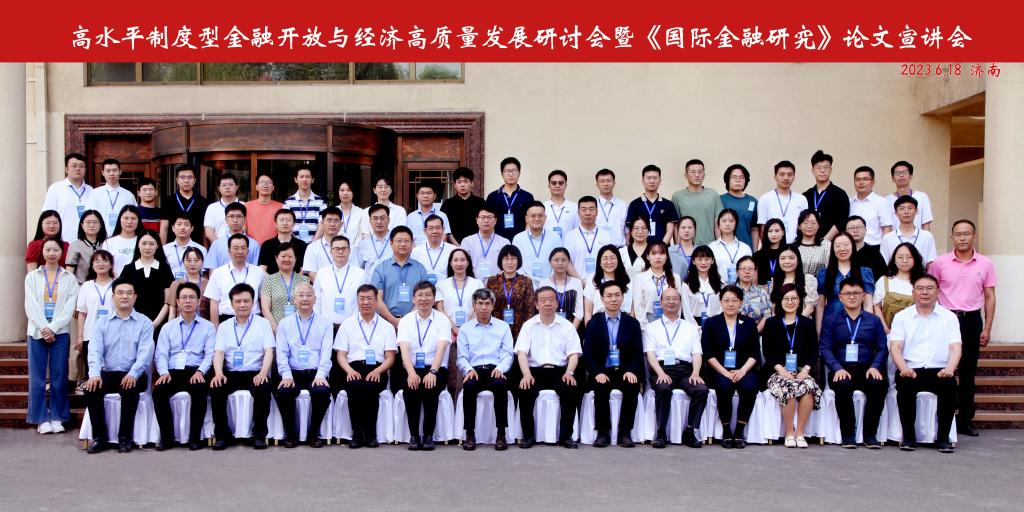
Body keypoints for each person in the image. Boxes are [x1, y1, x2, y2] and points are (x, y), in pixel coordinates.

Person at [930, 219, 997, 437]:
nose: (962, 238)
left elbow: (990, 296)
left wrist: (987, 328)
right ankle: (940, 417)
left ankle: (965, 419)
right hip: (945, 319)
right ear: (952, 237)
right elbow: (930, 291)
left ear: (974, 237)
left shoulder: (985, 263)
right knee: (941, 368)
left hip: (971, 321)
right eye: (958, 234)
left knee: (968, 371)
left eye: (966, 234)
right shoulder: (940, 263)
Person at [888, 274, 961, 453]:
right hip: (911, 369)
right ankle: (908, 438)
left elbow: (956, 347)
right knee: (905, 387)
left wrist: (950, 369)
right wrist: (903, 368)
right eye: (920, 289)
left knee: (949, 387)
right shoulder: (902, 317)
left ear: (938, 292)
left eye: (929, 288)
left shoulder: (949, 317)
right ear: (913, 292)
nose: (925, 292)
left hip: (940, 370)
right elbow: (895, 347)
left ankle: (943, 439)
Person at [84, 278, 152, 454]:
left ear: (135, 297)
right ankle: (100, 438)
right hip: (108, 373)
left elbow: (144, 354)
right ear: (113, 297)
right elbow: (94, 350)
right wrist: (94, 374)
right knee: (91, 389)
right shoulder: (101, 323)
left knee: (129, 388)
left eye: (129, 293)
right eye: (120, 293)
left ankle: (124, 438)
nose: (125, 296)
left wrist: (133, 374)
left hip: (134, 373)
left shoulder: (144, 322)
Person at [819, 278, 888, 448]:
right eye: (847, 293)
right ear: (840, 297)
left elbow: (882, 348)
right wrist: (836, 368)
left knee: (878, 385)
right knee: (842, 385)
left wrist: (875, 366)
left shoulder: (874, 321)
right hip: (841, 368)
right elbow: (825, 348)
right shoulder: (831, 320)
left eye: (856, 293)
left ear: (863, 296)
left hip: (867, 368)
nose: (852, 297)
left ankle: (870, 435)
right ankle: (848, 434)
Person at [514, 286, 583, 449]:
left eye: (551, 300)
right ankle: (528, 436)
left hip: (560, 371)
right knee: (525, 390)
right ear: (536, 304)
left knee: (570, 390)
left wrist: (569, 372)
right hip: (535, 371)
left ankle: (566, 436)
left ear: (557, 303)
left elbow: (574, 354)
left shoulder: (567, 326)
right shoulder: (529, 325)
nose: (547, 303)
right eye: (543, 300)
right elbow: (521, 353)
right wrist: (526, 374)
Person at [209, 283, 275, 450]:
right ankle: (222, 435)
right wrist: (218, 373)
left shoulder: (263, 324)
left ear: (253, 302)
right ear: (231, 304)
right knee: (216, 387)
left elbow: (269, 351)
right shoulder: (224, 326)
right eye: (237, 301)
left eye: (246, 301)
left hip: (255, 372)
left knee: (263, 388)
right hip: (231, 373)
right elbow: (219, 353)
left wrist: (263, 373)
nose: (242, 305)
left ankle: (259, 435)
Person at [152, 282, 216, 451]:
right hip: (172, 372)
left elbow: (210, 354)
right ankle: (167, 438)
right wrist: (163, 372)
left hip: (196, 370)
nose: (188, 301)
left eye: (192, 297)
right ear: (178, 301)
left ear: (198, 301)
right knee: (159, 392)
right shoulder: (168, 328)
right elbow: (161, 354)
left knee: (200, 389)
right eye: (184, 297)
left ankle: (194, 438)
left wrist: (201, 371)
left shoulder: (208, 327)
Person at [25, 237, 80, 435]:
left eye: (55, 250)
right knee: (37, 377)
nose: (51, 253)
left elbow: (69, 306)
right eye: (47, 249)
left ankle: (58, 416)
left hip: (61, 332)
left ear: (61, 253)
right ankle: (40, 418)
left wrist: (53, 328)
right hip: (36, 331)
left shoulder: (69, 278)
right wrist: (44, 328)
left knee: (59, 375)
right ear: (42, 252)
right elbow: (30, 305)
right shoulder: (32, 277)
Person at [644, 285, 710, 449]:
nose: (671, 302)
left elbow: (697, 354)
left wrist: (696, 373)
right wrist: (660, 373)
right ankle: (661, 433)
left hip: (685, 370)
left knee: (701, 390)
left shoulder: (690, 328)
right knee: (663, 388)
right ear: (661, 302)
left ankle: (690, 430)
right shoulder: (652, 327)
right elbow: (650, 354)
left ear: (680, 302)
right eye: (667, 299)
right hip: (661, 369)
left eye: (675, 299)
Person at [334, 284, 397, 448]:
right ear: (357, 301)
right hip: (353, 368)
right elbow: (341, 355)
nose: (366, 302)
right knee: (354, 387)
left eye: (369, 298)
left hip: (377, 368)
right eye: (362, 299)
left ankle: (370, 435)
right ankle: (356, 434)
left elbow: (390, 357)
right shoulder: (347, 324)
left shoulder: (387, 327)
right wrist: (349, 370)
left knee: (371, 387)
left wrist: (378, 371)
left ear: (376, 301)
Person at [583, 281, 643, 447]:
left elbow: (638, 352)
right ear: (602, 299)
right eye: (609, 296)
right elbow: (587, 353)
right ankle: (603, 432)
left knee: (632, 386)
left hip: (625, 370)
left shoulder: (632, 323)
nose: (613, 299)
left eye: (617, 295)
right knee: (601, 387)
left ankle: (625, 432)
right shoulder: (594, 323)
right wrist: (596, 373)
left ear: (623, 298)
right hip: (602, 370)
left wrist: (632, 370)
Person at [273, 282, 333, 448]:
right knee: (283, 392)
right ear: (294, 299)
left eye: (309, 295)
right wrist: (286, 375)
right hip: (293, 372)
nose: (305, 299)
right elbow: (281, 354)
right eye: (301, 295)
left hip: (315, 372)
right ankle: (291, 434)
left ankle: (314, 433)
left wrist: (321, 375)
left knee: (322, 392)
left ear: (315, 299)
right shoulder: (285, 323)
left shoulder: (325, 323)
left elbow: (326, 352)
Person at [762, 283, 821, 448]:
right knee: (789, 388)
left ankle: (799, 433)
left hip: (802, 370)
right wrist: (782, 370)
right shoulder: (771, 323)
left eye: (794, 298)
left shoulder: (807, 323)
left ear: (799, 301)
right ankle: (789, 433)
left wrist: (806, 370)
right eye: (786, 298)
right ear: (779, 301)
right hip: (777, 371)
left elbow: (813, 351)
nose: (790, 302)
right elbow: (767, 352)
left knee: (808, 388)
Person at [701, 285, 760, 449]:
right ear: (721, 302)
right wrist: (725, 372)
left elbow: (755, 353)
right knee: (724, 386)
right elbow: (708, 353)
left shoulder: (749, 323)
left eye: (734, 300)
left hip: (744, 369)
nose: (730, 304)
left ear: (740, 303)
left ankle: (739, 430)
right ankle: (726, 430)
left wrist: (742, 370)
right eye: (726, 300)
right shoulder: (712, 323)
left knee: (749, 387)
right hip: (719, 369)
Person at [371, 226, 429, 393]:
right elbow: (377, 298)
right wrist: (393, 320)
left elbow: (424, 296)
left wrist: (407, 319)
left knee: (410, 360)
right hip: (387, 322)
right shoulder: (381, 268)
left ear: (412, 244)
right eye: (399, 241)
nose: (403, 244)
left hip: (414, 321)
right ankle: (392, 398)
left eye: (406, 241)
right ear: (391, 243)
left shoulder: (420, 268)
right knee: (391, 360)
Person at [396, 281, 453, 450]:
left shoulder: (442, 320)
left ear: (434, 298)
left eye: (428, 295)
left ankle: (428, 435)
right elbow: (404, 349)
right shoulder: (406, 320)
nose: (424, 299)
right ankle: (414, 435)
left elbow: (441, 348)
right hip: (411, 367)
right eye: (420, 295)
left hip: (436, 368)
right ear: (413, 299)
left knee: (430, 388)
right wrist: (411, 373)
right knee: (411, 388)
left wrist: (433, 372)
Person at [456, 288, 514, 451]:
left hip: (495, 369)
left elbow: (508, 354)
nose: (483, 307)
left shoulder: (503, 327)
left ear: (493, 306)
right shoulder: (465, 329)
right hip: (474, 370)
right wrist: (468, 370)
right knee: (469, 386)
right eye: (480, 303)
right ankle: (469, 434)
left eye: (487, 303)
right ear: (474, 305)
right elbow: (461, 356)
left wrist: (501, 368)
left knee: (500, 385)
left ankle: (501, 434)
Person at [74, 250, 115, 394]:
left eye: (105, 260)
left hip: (113, 335)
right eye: (97, 261)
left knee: (110, 370)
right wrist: (80, 336)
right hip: (90, 335)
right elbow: (82, 313)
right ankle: (91, 403)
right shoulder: (87, 286)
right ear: (92, 265)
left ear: (111, 264)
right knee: (91, 371)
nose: (101, 264)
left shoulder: (117, 284)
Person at [815, 232, 874, 332]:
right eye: (837, 246)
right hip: (831, 326)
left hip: (857, 325)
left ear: (853, 247)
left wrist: (868, 329)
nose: (842, 249)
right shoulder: (824, 274)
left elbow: (868, 305)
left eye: (846, 245)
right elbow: (820, 306)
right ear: (833, 249)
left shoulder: (864, 272)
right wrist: (819, 331)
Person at [205, 234, 265, 327]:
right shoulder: (217, 273)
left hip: (254, 320)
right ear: (229, 252)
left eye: (243, 248)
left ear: (248, 251)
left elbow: (263, 300)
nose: (240, 251)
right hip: (226, 320)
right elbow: (214, 304)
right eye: (236, 248)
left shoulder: (259, 272)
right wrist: (215, 328)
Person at [117, 230, 174, 325]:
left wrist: (154, 324)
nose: (147, 247)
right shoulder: (128, 269)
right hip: (132, 322)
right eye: (144, 243)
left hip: (159, 323)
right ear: (138, 245)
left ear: (157, 246)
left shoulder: (164, 269)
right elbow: (122, 297)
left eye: (152, 244)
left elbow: (168, 301)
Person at [313, 235, 367, 328]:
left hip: (352, 326)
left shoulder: (360, 274)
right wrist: (318, 323)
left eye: (344, 248)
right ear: (331, 251)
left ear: (349, 251)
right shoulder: (322, 273)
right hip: (326, 326)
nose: (340, 252)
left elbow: (363, 301)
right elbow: (316, 301)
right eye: (337, 249)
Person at [485, 245, 537, 338]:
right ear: (501, 261)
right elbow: (488, 307)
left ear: (518, 260)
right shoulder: (492, 281)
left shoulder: (526, 281)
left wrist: (527, 331)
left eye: (513, 258)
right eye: (506, 259)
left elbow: (530, 310)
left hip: (521, 330)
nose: (509, 262)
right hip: (496, 329)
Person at [873, 242, 925, 332]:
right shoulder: (884, 281)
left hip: (916, 333)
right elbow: (876, 307)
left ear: (915, 259)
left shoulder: (922, 283)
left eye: (909, 257)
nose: (904, 261)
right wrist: (886, 331)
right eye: (900, 257)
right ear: (894, 260)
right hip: (887, 333)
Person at [259, 242, 311, 332]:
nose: (287, 259)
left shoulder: (304, 280)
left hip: (301, 330)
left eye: (290, 256)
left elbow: (309, 306)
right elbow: (265, 309)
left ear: (295, 259)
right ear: (276, 259)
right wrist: (277, 330)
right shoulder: (269, 280)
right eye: (283, 256)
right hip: (276, 330)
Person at [42, 153, 93, 242]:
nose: (78, 169)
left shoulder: (91, 191)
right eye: (74, 166)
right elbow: (47, 216)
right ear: (66, 169)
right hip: (63, 241)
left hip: (87, 242)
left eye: (81, 166)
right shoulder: (56, 188)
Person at [671, 159, 722, 246]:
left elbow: (717, 221)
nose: (697, 175)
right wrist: (678, 246)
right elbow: (676, 225)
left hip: (709, 245)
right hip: (686, 246)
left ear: (704, 175)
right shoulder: (678, 196)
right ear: (686, 175)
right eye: (693, 172)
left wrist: (719, 245)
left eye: (700, 172)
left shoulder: (713, 194)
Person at [802, 150, 849, 241]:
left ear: (831, 170)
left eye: (826, 167)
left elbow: (841, 222)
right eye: (818, 167)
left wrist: (824, 242)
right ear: (812, 170)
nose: (822, 170)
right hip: (808, 242)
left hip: (831, 243)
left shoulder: (840, 194)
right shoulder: (806, 195)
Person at [757, 160, 809, 244]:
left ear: (794, 176)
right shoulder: (765, 199)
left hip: (795, 246)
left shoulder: (801, 199)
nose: (786, 178)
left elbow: (804, 225)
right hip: (772, 246)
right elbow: (762, 227)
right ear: (775, 176)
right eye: (782, 174)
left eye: (790, 175)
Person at [485, 156, 535, 241]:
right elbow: (488, 220)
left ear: (519, 173)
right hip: (497, 240)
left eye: (514, 171)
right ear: (502, 173)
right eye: (507, 171)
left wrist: (525, 239)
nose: (511, 174)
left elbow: (530, 220)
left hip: (521, 240)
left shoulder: (527, 196)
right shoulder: (492, 197)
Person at [632, 241, 681, 326]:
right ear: (647, 256)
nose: (658, 257)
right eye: (654, 253)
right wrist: (645, 328)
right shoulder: (639, 278)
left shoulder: (675, 277)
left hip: (670, 321)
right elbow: (638, 307)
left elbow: (678, 304)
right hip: (648, 322)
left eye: (661, 253)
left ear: (666, 256)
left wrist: (674, 323)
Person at [435, 248, 484, 334]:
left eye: (462, 260)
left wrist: (466, 328)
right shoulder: (441, 284)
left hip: (473, 330)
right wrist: (453, 328)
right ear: (450, 263)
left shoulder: (477, 284)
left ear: (468, 263)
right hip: (447, 330)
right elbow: (440, 309)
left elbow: (479, 307)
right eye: (455, 260)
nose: (459, 263)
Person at [627, 164, 679, 244]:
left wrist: (661, 247)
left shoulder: (668, 204)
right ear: (642, 180)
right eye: (648, 178)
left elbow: (670, 229)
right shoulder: (634, 204)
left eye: (655, 178)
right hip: (640, 248)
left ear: (660, 181)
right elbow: (630, 230)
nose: (652, 181)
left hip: (662, 249)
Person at [880, 195, 938, 266]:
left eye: (910, 208)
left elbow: (931, 263)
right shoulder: (888, 238)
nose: (906, 212)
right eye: (902, 208)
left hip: (920, 273)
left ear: (916, 211)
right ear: (896, 213)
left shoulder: (927, 236)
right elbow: (884, 265)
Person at [583, 245, 634, 325]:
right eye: (605, 258)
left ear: (618, 260)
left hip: (624, 322)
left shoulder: (627, 281)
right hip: (598, 323)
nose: (609, 262)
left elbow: (632, 310)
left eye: (612, 258)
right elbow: (588, 312)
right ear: (599, 262)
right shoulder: (592, 280)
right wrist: (589, 330)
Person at [511, 201, 560, 285]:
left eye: (540, 216)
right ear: (526, 218)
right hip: (524, 285)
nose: (536, 219)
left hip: (550, 284)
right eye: (533, 216)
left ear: (545, 218)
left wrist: (548, 282)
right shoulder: (518, 239)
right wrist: (528, 283)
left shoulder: (555, 238)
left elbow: (558, 261)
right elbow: (516, 263)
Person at [563, 196, 612, 278]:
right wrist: (579, 281)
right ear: (578, 213)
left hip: (602, 282)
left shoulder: (606, 235)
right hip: (577, 282)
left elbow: (610, 261)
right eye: (583, 209)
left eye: (591, 209)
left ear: (597, 212)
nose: (587, 213)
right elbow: (566, 262)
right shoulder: (570, 236)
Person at [85, 158, 138, 234]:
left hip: (123, 235)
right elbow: (90, 216)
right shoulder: (95, 193)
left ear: (120, 171)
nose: (111, 174)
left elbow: (134, 217)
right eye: (108, 171)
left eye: (114, 170)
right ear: (103, 172)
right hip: (101, 236)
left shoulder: (128, 195)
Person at [160, 165, 209, 245]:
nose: (186, 181)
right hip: (173, 247)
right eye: (182, 177)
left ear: (195, 180)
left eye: (190, 177)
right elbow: (164, 228)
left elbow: (204, 230)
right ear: (177, 180)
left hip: (196, 247)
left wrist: (205, 249)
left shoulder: (203, 202)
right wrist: (163, 250)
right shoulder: (168, 201)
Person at [204, 203, 261, 270]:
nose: (235, 220)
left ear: (245, 219)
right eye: (231, 216)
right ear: (226, 219)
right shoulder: (216, 244)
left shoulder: (254, 244)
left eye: (239, 216)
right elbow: (212, 271)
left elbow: (256, 270)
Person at [538, 248, 585, 329]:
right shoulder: (543, 283)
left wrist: (571, 331)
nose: (560, 263)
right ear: (550, 262)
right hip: (548, 327)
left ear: (569, 262)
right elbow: (541, 309)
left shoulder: (576, 283)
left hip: (572, 327)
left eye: (564, 260)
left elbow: (579, 313)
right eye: (556, 260)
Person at [440, 166, 486, 243]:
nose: (462, 185)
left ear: (472, 183)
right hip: (453, 246)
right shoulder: (448, 204)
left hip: (477, 244)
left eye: (465, 182)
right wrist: (457, 246)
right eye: (459, 182)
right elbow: (444, 228)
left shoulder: (481, 203)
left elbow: (485, 224)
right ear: (455, 185)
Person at [769, 246, 818, 318]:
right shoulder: (775, 282)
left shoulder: (808, 279)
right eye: (783, 258)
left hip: (802, 322)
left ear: (798, 261)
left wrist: (795, 322)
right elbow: (773, 308)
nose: (787, 262)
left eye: (791, 258)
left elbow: (809, 308)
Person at [848, 165, 892, 245]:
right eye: (858, 179)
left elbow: (887, 229)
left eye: (865, 179)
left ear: (873, 182)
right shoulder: (849, 202)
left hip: (874, 247)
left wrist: (883, 249)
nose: (861, 182)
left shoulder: (882, 202)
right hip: (852, 247)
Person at [719, 164, 759, 248]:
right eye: (734, 177)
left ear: (746, 181)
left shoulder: (752, 202)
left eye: (741, 177)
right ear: (727, 180)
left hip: (746, 249)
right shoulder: (719, 200)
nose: (738, 180)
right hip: (724, 248)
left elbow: (754, 229)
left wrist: (754, 251)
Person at [681, 245, 723, 327]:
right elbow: (686, 310)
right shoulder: (686, 284)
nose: (703, 263)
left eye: (707, 259)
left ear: (712, 260)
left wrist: (716, 325)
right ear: (693, 261)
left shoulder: (721, 283)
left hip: (716, 324)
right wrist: (696, 328)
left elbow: (722, 307)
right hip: (694, 325)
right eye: (699, 259)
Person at [886, 160, 933, 231]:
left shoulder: (922, 197)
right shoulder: (886, 200)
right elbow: (887, 226)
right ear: (892, 179)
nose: (901, 175)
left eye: (904, 172)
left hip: (917, 237)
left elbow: (926, 224)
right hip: (895, 238)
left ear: (911, 176)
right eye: (897, 173)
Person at [410, 215, 457, 284]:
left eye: (438, 228)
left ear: (443, 230)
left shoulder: (453, 250)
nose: (434, 231)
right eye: (431, 228)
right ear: (425, 231)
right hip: (423, 289)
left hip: (446, 289)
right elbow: (412, 275)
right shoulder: (416, 251)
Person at [710, 209, 753, 285]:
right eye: (724, 221)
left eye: (731, 221)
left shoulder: (745, 248)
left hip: (740, 289)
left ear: (736, 224)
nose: (727, 224)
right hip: (718, 288)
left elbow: (750, 271)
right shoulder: (712, 247)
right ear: (718, 224)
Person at [284, 167, 327, 243]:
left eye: (307, 177)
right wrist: (296, 244)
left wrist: (312, 245)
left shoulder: (321, 202)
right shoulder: (288, 203)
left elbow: (322, 225)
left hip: (314, 245)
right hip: (293, 245)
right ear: (296, 179)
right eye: (301, 177)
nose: (304, 180)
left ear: (312, 180)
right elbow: (285, 225)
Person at [259, 209, 307, 275]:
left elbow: (303, 269)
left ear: (294, 224)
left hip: (296, 281)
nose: (285, 223)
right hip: (271, 280)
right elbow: (262, 269)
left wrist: (294, 281)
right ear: (276, 224)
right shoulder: (267, 245)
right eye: (281, 220)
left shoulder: (301, 245)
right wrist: (273, 281)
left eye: (288, 220)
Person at [301, 207, 344, 280]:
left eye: (336, 221)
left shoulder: (349, 246)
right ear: (322, 223)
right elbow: (311, 273)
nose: (332, 224)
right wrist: (327, 285)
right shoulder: (312, 247)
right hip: (320, 286)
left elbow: (353, 270)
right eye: (329, 220)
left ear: (341, 224)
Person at [167, 247, 210, 320]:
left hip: (204, 325)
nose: (192, 264)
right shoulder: (176, 284)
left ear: (202, 262)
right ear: (183, 262)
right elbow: (172, 312)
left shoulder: (209, 284)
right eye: (188, 260)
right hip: (180, 325)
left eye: (196, 260)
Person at [65, 210, 107, 284]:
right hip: (81, 286)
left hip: (104, 285)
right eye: (88, 222)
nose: (91, 225)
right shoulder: (75, 245)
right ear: (82, 225)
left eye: (95, 222)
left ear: (100, 225)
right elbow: (69, 272)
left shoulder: (107, 243)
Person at [844, 215, 888, 284]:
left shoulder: (874, 253)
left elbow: (883, 277)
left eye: (858, 227)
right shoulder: (842, 252)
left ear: (865, 230)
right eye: (851, 228)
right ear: (846, 231)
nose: (855, 230)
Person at [162, 214, 206, 279]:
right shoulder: (165, 249)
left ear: (192, 228)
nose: (182, 227)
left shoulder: (201, 249)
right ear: (173, 228)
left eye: (186, 224)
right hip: (170, 284)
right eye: (179, 224)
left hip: (193, 284)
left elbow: (204, 273)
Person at [100, 205, 141, 277]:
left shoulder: (143, 241)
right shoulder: (109, 243)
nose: (129, 222)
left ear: (138, 221)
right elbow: (104, 266)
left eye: (133, 218)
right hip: (115, 281)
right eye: (126, 218)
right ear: (120, 219)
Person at [593, 168, 629, 247]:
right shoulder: (592, 205)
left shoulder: (623, 205)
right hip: (598, 249)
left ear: (614, 183)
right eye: (602, 181)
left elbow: (627, 231)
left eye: (608, 181)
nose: (605, 184)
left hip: (619, 249)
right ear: (597, 185)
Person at [244, 173, 284, 243]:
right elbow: (243, 230)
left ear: (273, 187)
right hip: (252, 247)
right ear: (256, 187)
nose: (265, 185)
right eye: (262, 182)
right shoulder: (246, 206)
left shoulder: (281, 207)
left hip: (275, 246)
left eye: (269, 182)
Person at [203, 173, 242, 244]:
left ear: (237, 187)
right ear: (219, 188)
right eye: (224, 185)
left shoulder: (245, 206)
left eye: (230, 184)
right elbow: (209, 231)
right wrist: (220, 245)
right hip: (217, 246)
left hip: (240, 247)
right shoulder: (212, 207)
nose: (227, 187)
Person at [735, 256, 772, 330]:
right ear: (737, 272)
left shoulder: (762, 293)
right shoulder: (729, 292)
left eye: (751, 269)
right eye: (743, 268)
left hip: (756, 334)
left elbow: (766, 316)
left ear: (755, 272)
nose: (747, 272)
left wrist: (754, 333)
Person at [355, 204, 394, 275]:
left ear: (388, 220)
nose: (379, 222)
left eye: (382, 218)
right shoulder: (363, 244)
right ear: (370, 221)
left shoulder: (397, 242)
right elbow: (358, 269)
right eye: (375, 218)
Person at [542, 169, 578, 241]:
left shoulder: (575, 207)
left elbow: (578, 230)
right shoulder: (542, 207)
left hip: (569, 245)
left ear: (566, 185)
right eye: (554, 183)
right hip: (547, 245)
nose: (557, 186)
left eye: (561, 183)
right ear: (549, 186)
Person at [796, 209, 831, 277]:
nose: (809, 226)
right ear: (799, 226)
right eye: (805, 223)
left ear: (818, 225)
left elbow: (830, 267)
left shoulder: (826, 245)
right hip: (798, 282)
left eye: (813, 223)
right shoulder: (793, 246)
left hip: (820, 281)